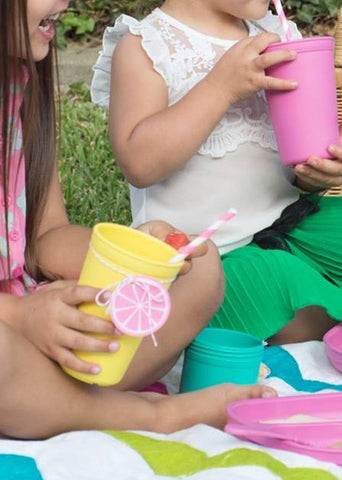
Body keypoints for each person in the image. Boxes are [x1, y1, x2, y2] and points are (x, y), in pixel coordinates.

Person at [93, 0, 342, 346]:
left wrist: (320, 170)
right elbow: (139, 164)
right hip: (213, 260)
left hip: (298, 225)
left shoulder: (277, 36)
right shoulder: (148, 45)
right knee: (305, 298)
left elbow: (292, 162)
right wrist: (219, 88)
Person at [0, 0, 276, 440]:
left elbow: (44, 237)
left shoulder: (18, 85)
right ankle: (149, 415)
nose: (66, 3)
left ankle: (54, 400)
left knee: (199, 270)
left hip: (35, 322)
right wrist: (19, 316)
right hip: (11, 333)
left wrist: (139, 254)